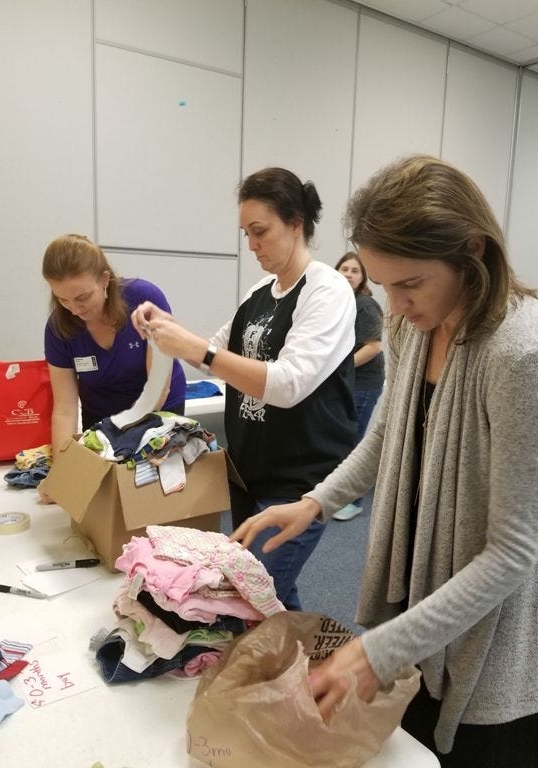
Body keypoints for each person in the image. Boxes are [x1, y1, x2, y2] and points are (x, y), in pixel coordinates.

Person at [231, 155, 538, 767]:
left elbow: (512, 552)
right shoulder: (414, 326)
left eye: (409, 284)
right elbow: (385, 439)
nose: (394, 306)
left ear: (472, 251)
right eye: (383, 285)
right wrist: (315, 502)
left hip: (490, 635)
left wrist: (376, 652)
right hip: (423, 610)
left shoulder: (519, 355)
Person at [132, 167, 358, 611]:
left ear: (296, 224)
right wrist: (169, 328)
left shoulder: (327, 291)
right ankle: (293, 649)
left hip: (296, 483)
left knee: (250, 599)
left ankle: (290, 652)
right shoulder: (260, 292)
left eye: (260, 231)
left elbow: (289, 384)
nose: (252, 245)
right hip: (249, 474)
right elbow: (213, 351)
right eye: (246, 234)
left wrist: (197, 348)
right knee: (269, 593)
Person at [40, 234, 186, 500]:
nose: (74, 309)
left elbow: (158, 388)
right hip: (101, 418)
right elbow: (65, 409)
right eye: (63, 300)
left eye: (83, 297)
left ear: (104, 279)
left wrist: (122, 440)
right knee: (104, 497)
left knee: (151, 494)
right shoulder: (58, 328)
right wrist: (62, 473)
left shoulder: (145, 300)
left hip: (158, 408)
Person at [332, 251, 385, 521]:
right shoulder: (339, 303)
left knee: (352, 442)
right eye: (345, 269)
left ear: (363, 277)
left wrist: (340, 368)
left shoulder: (365, 305)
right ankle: (337, 495)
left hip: (364, 384)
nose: (349, 274)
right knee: (339, 439)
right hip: (346, 382)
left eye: (355, 271)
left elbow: (373, 347)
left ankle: (353, 501)